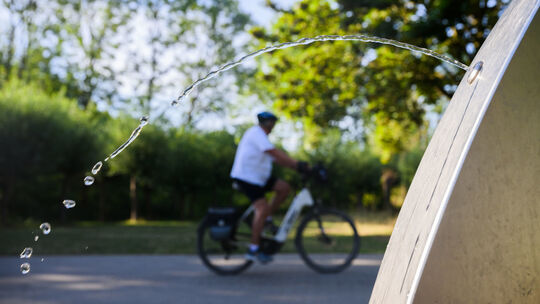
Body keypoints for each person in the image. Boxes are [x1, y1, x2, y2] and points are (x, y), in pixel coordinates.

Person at [230, 111, 307, 263]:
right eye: (272, 122)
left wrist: (297, 167)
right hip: (247, 177)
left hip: (259, 178)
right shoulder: (256, 133)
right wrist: (297, 164)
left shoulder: (262, 137)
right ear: (266, 123)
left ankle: (266, 220)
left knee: (284, 188)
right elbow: (273, 152)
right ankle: (253, 249)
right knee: (262, 208)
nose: (273, 126)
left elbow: (278, 159)